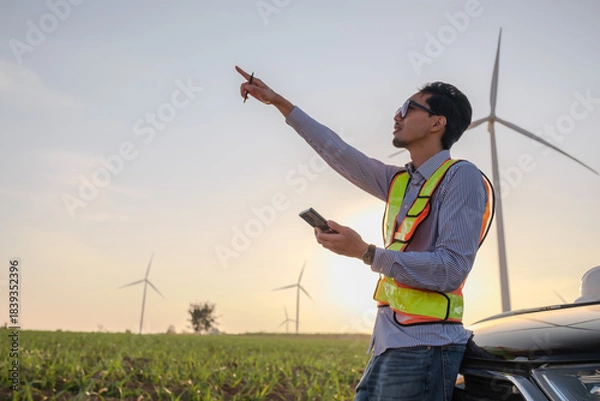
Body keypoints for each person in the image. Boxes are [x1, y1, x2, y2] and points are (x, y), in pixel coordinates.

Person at [235, 65, 494, 401]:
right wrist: (279, 102)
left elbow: (451, 269)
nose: (396, 115)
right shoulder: (400, 181)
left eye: (408, 108)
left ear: (437, 122)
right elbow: (338, 152)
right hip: (388, 343)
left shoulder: (462, 177)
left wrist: (366, 253)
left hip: (425, 346)